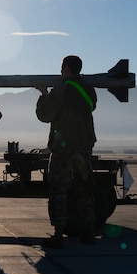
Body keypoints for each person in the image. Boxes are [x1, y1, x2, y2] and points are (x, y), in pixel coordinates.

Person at [35, 55, 97, 248]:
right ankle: (88, 232)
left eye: (62, 69)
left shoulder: (60, 90)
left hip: (63, 150)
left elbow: (44, 115)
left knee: (58, 191)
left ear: (67, 69)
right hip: (83, 148)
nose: (61, 73)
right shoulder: (89, 90)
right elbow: (92, 106)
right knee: (84, 190)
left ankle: (58, 235)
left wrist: (44, 95)